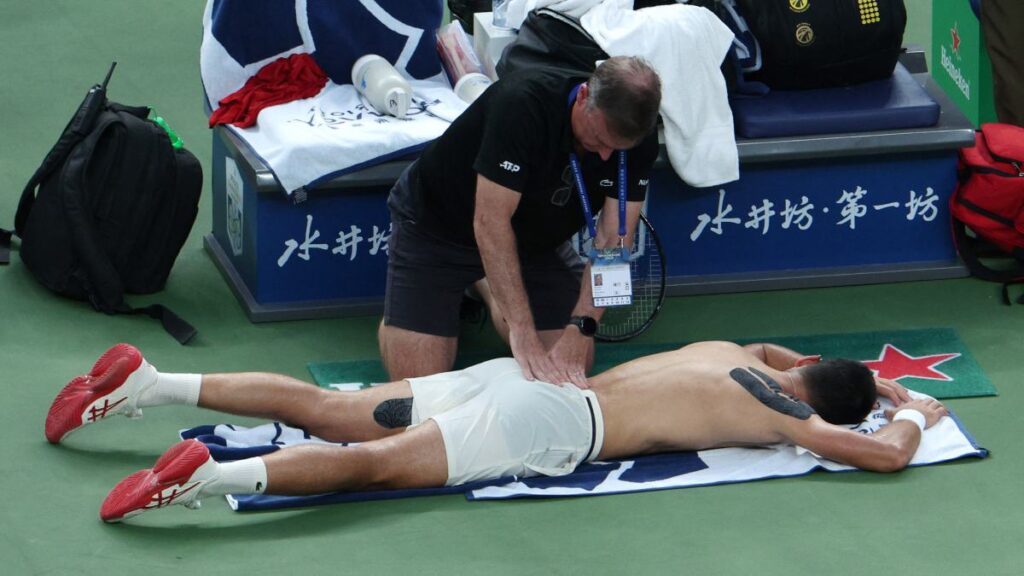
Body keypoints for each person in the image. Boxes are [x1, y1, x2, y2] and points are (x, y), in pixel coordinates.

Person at [46, 340, 946, 523]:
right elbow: (879, 456)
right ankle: (208, 475)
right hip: (547, 423)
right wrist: (913, 412)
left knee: (329, 407)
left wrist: (867, 378)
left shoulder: (736, 353)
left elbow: (793, 356)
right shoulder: (783, 412)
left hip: (512, 377)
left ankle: (154, 383)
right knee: (373, 466)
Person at [379, 55, 662, 388]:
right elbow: (490, 223)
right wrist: (522, 330)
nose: (604, 156)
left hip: (532, 242)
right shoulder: (522, 104)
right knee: (421, 388)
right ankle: (427, 303)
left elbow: (615, 241)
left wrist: (583, 327)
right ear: (584, 96)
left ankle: (488, 283)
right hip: (439, 228)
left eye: (617, 148)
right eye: (599, 139)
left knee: (568, 369)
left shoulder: (638, 139)